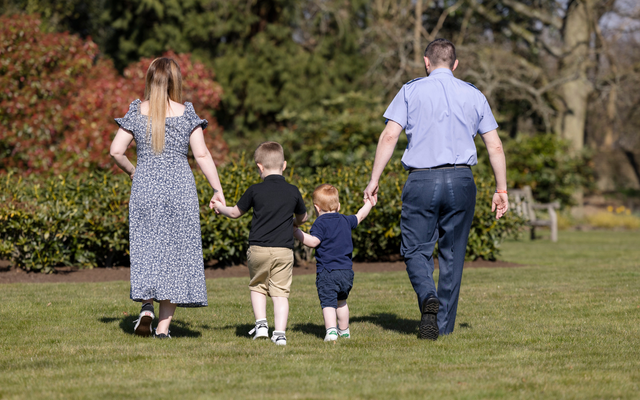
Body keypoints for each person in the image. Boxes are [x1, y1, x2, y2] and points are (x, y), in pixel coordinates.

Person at [363, 38, 509, 341]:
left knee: (416, 249)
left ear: (426, 62)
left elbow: (390, 136)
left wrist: (374, 178)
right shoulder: (474, 95)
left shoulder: (410, 90)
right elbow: (494, 144)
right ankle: (442, 326)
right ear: (455, 64)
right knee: (453, 255)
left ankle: (427, 295)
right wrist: (501, 189)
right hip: (461, 180)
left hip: (422, 180)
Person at [110, 57, 226, 339]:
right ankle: (163, 329)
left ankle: (146, 307)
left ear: (150, 80)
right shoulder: (186, 112)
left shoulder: (137, 110)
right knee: (176, 255)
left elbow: (116, 151)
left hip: (146, 187)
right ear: (176, 81)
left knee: (147, 249)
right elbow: (201, 155)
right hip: (179, 189)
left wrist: (133, 171)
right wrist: (217, 189)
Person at [213, 142, 307, 346]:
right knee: (281, 292)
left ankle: (262, 325)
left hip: (258, 249)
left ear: (260, 167)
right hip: (284, 250)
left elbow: (236, 213)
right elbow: (303, 216)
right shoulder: (293, 190)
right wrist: (295, 223)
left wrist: (220, 207)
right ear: (284, 165)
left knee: (257, 286)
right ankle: (280, 334)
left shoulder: (255, 190)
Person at [294, 184, 372, 342]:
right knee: (341, 302)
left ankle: (331, 331)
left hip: (328, 272)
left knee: (328, 302)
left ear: (316, 208)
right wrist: (370, 203)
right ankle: (344, 330)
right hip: (346, 272)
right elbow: (360, 216)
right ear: (339, 206)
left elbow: (313, 242)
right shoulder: (345, 219)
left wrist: (296, 232)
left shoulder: (320, 223)